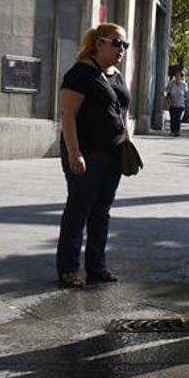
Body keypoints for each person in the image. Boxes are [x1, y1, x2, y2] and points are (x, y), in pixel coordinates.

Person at [56, 23, 132, 288]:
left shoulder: (116, 74)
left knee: (102, 210)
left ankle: (97, 265)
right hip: (87, 152)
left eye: (125, 44)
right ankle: (68, 268)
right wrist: (74, 153)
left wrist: (127, 138)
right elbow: (68, 115)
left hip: (113, 152)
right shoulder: (79, 74)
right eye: (116, 43)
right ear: (98, 43)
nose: (122, 49)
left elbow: (123, 109)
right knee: (79, 208)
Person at [165, 69, 189, 136]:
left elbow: (186, 93)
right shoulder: (171, 83)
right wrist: (166, 94)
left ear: (181, 77)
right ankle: (172, 131)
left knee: (178, 118)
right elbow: (167, 90)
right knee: (172, 118)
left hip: (181, 104)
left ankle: (177, 131)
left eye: (179, 75)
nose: (177, 77)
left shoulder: (184, 84)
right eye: (176, 75)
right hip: (172, 103)